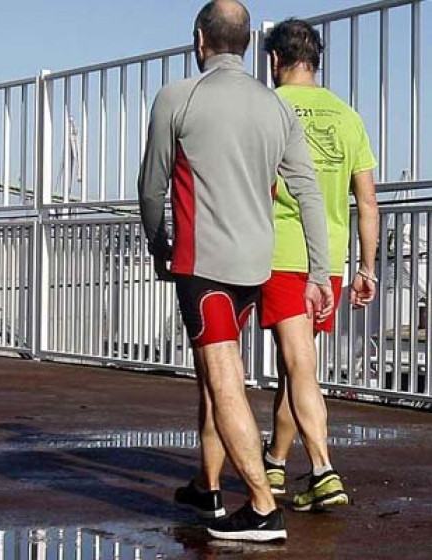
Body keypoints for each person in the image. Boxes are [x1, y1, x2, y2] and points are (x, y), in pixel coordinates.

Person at [138, 0, 333, 542]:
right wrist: (320, 270)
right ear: (249, 45)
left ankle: (263, 507)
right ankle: (208, 484)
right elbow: (308, 192)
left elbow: (152, 189)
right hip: (256, 265)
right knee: (213, 376)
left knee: (222, 378)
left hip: (203, 265)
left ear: (200, 40)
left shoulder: (177, 97)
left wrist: (158, 245)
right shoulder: (277, 109)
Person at [258, 18, 379, 511]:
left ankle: (325, 469)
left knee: (299, 365)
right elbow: (368, 203)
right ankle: (275, 462)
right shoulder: (348, 117)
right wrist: (366, 268)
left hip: (280, 253)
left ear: (273, 61)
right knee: (296, 367)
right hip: (325, 259)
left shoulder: (267, 108)